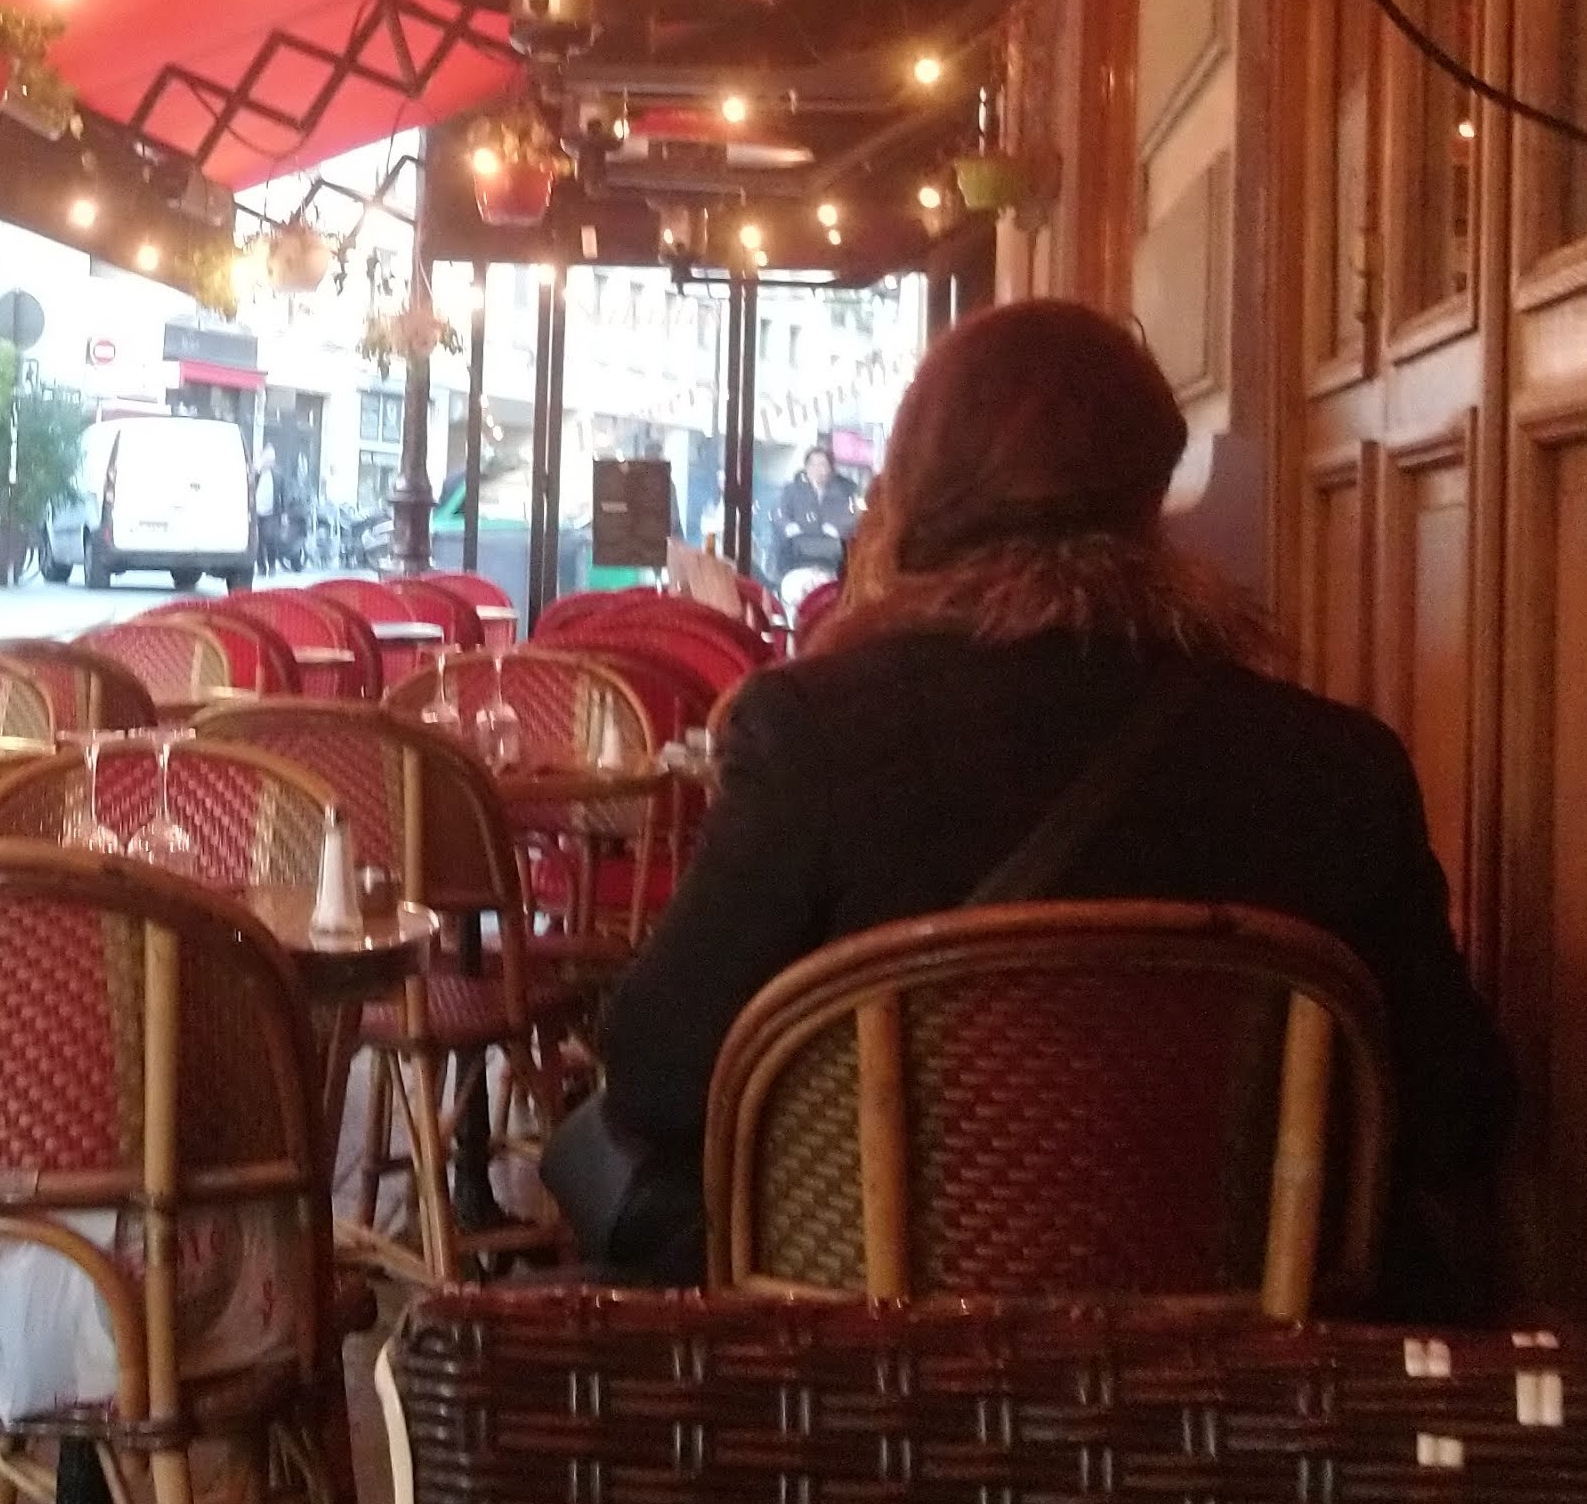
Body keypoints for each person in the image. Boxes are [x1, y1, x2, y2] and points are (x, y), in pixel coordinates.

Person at [547, 299, 1512, 1318]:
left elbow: (655, 1068)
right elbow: (1460, 1110)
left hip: (870, 1354)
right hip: (1246, 1363)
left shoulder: (809, 735)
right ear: (1154, 487)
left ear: (916, 489)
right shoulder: (1337, 767)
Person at [768, 432, 855, 594]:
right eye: (813, 464)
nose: (818, 469)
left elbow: (852, 520)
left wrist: (838, 529)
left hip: (830, 560)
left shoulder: (843, 493)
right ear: (806, 467)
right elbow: (778, 514)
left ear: (830, 468)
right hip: (797, 559)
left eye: (822, 464)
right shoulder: (792, 491)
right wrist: (788, 526)